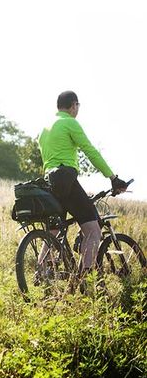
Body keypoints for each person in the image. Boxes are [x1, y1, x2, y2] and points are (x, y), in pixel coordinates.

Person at [38, 90, 128, 276]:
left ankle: (40, 272)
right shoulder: (70, 122)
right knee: (93, 230)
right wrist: (112, 177)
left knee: (54, 231)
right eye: (78, 106)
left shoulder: (45, 128)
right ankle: (84, 279)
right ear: (73, 105)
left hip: (49, 183)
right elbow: (90, 151)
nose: (78, 109)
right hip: (66, 178)